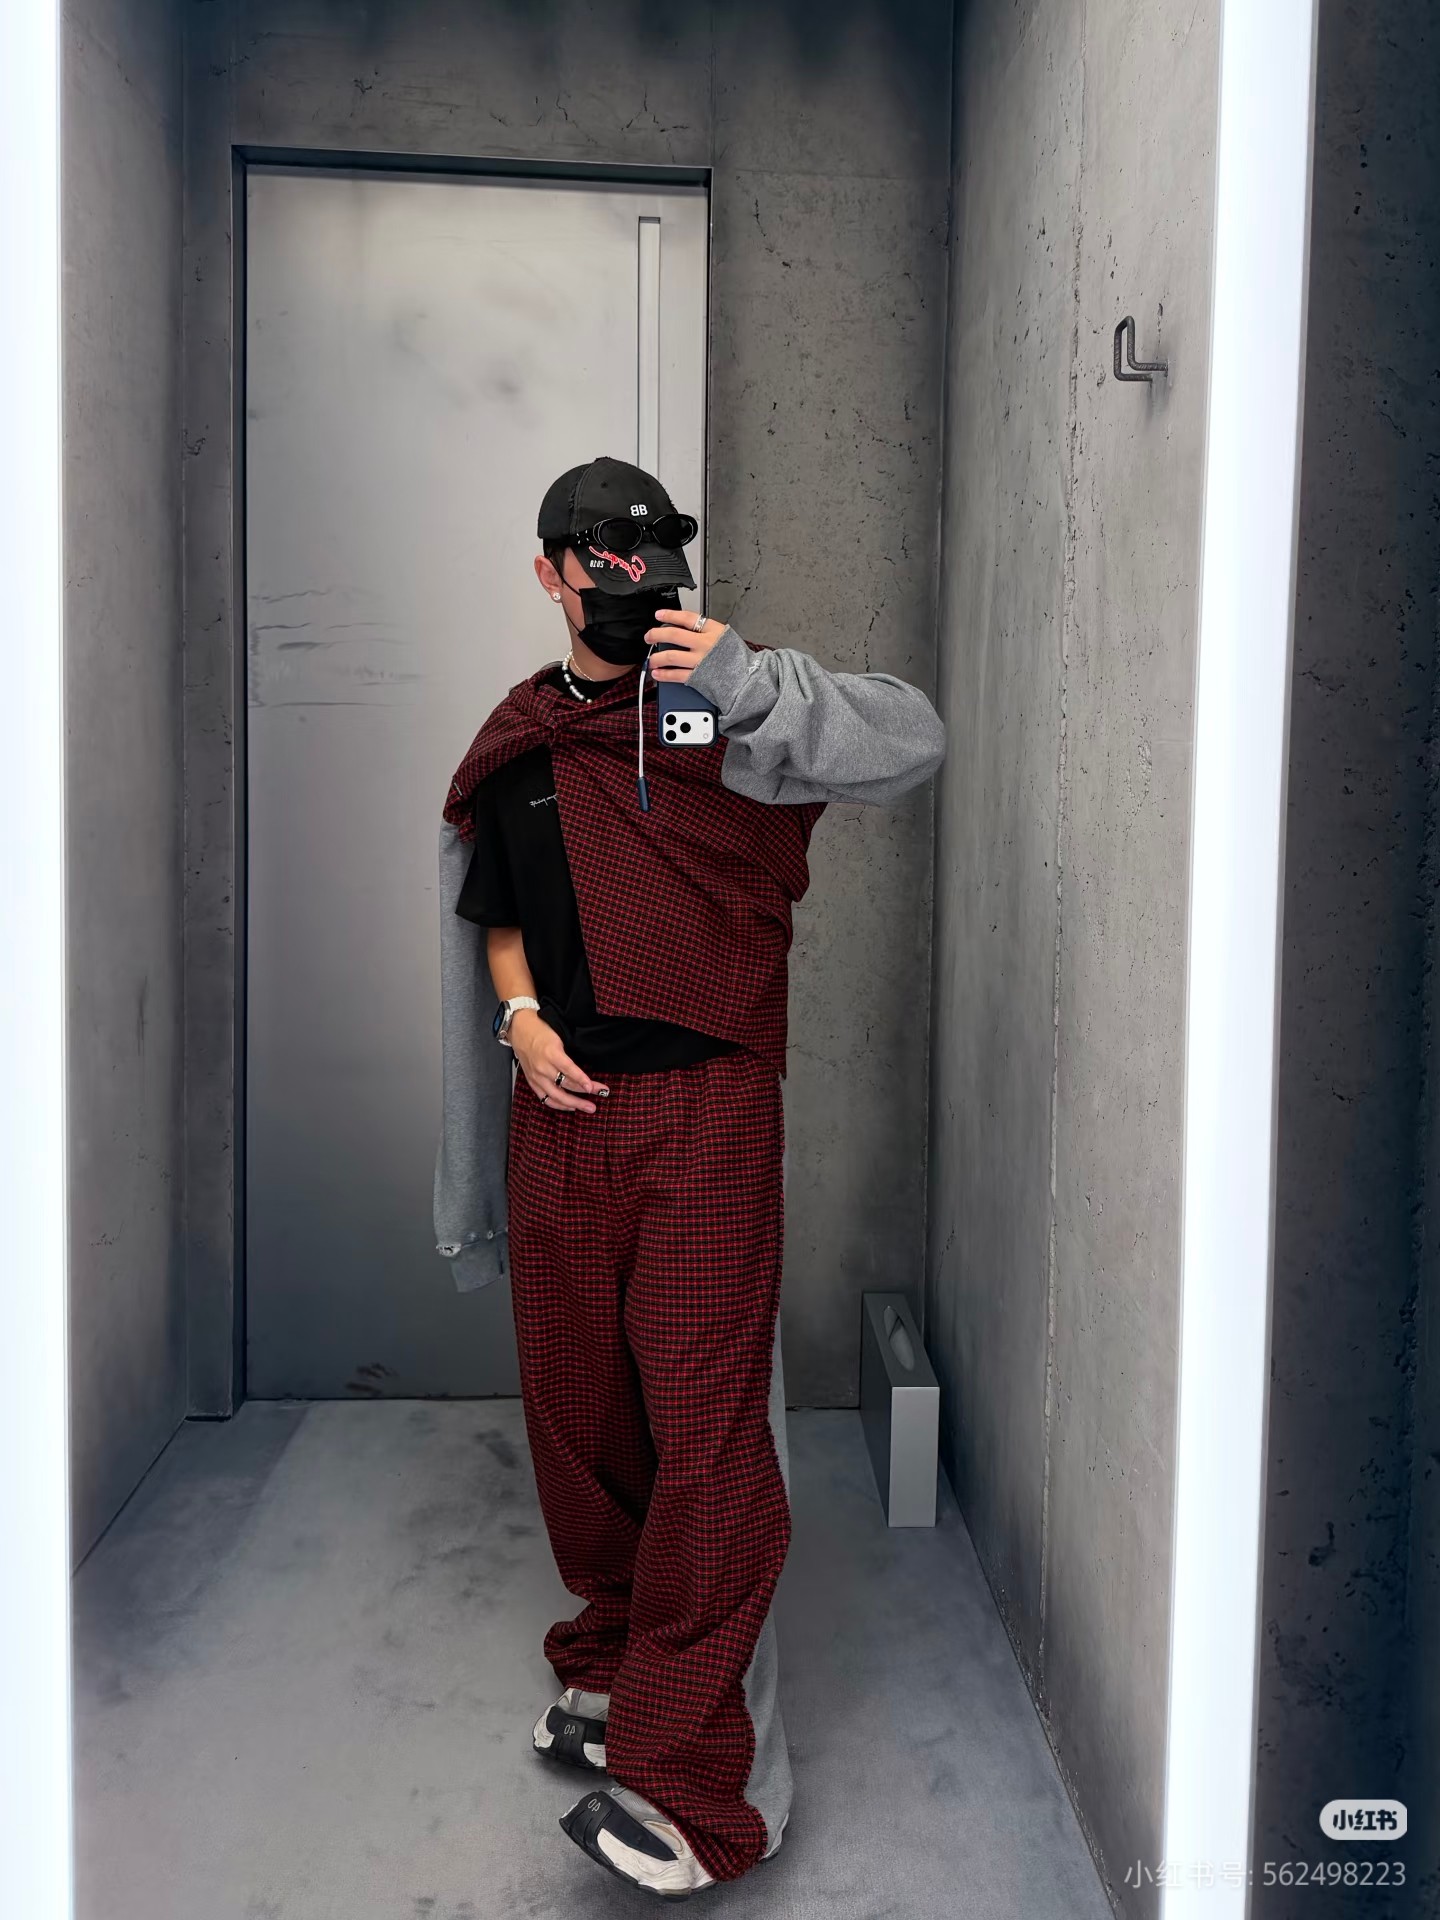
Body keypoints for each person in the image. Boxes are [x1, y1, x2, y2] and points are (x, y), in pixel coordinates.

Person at [432, 455, 946, 1898]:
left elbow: (909, 741)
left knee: (708, 1435)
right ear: (551, 575)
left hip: (705, 1109)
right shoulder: (522, 739)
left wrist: (749, 680)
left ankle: (705, 1790)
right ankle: (617, 1669)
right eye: (601, 561)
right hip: (560, 1113)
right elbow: (495, 914)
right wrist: (519, 1023)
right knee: (581, 1418)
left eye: (652, 558)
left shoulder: (726, 708)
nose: (630, 583)